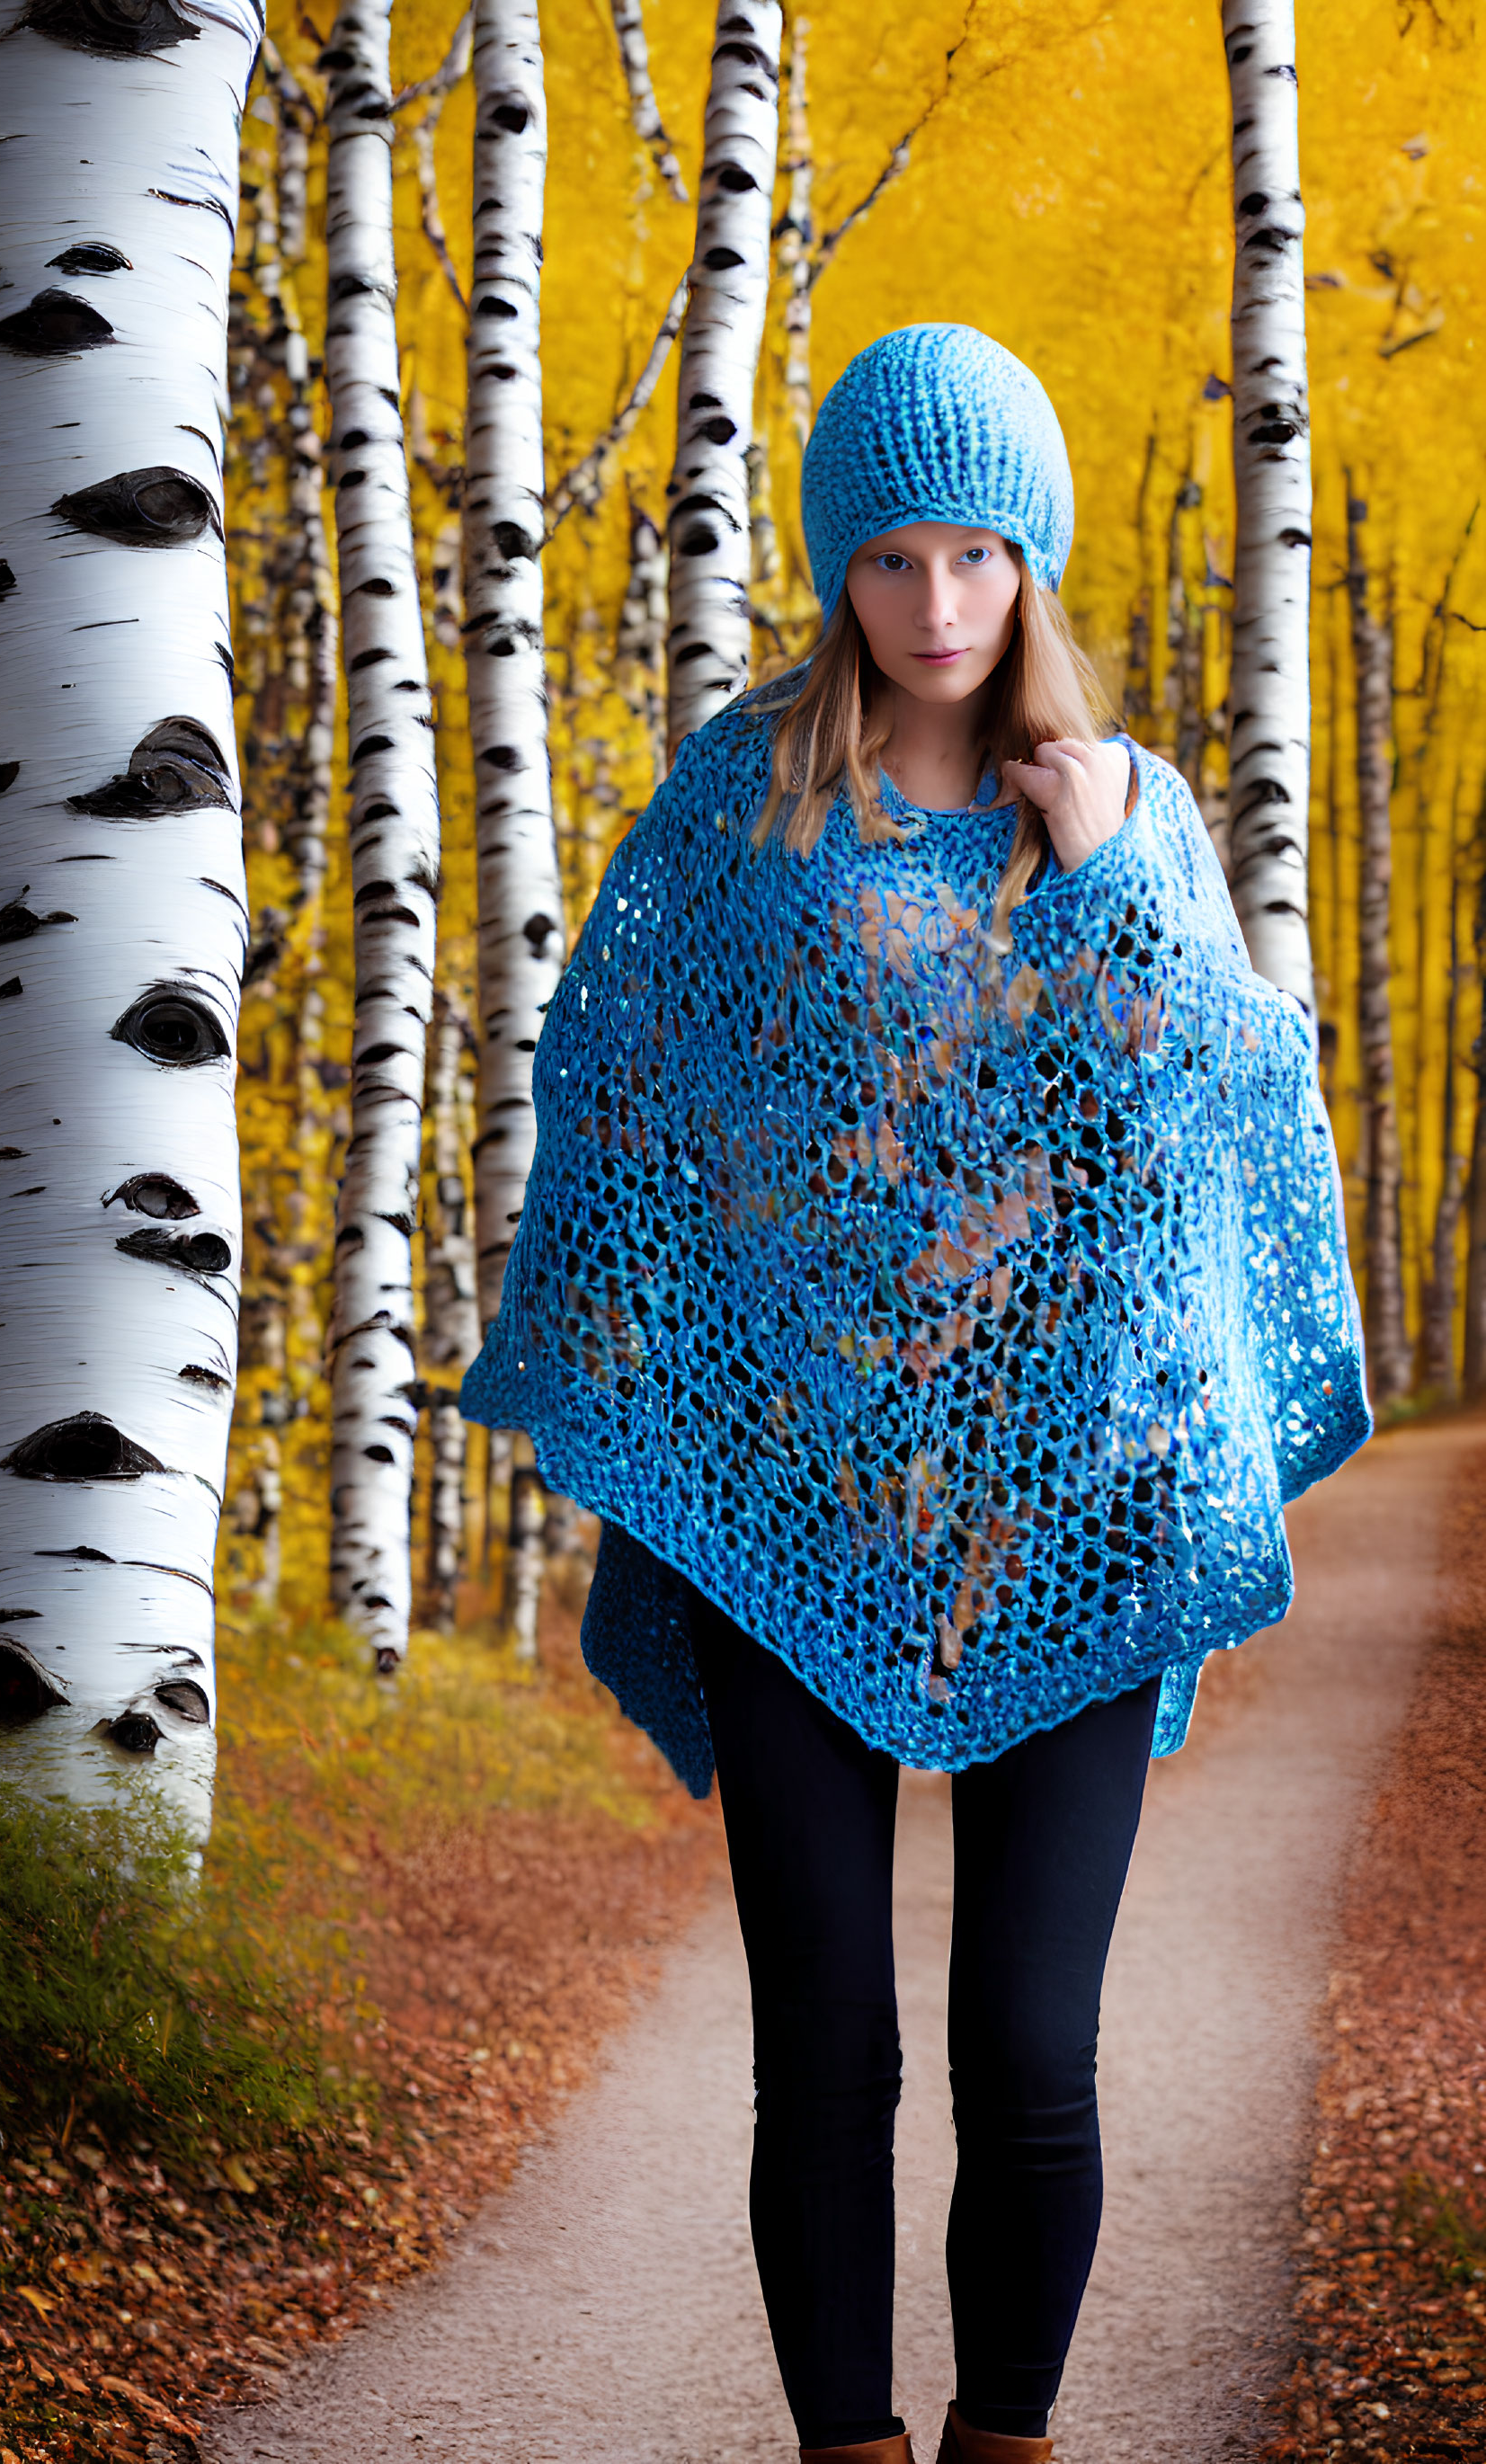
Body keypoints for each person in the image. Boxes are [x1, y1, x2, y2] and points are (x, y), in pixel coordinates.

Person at [461, 325, 1369, 2463]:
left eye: (976, 555)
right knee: (829, 2054)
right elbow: (617, 1089)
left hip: (1078, 1494)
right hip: (794, 1498)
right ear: (833, 569)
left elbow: (1245, 1125)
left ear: (1030, 562)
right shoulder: (738, 800)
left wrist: (1127, 878)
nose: (938, 605)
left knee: (1029, 2049)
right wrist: (677, 1390)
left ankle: (1006, 2441)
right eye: (889, 557)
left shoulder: (1126, 814)